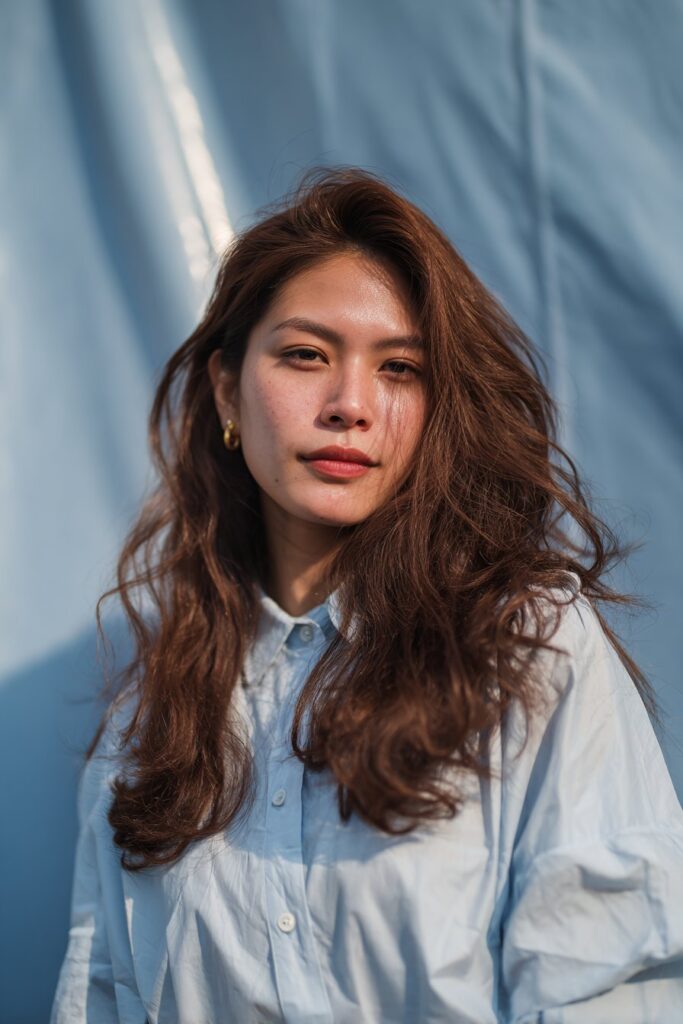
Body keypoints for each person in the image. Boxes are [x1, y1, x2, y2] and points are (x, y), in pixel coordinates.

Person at [51, 166, 683, 1023]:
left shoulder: (529, 646)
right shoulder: (150, 712)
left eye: (400, 369)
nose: (350, 404)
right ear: (228, 388)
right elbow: (101, 998)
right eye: (306, 355)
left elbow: (607, 988)